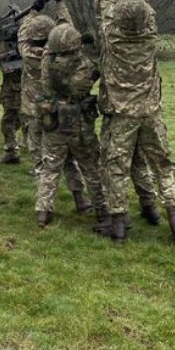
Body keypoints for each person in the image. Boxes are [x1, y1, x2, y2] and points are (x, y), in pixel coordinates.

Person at [97, 0, 175, 241]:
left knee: (117, 168)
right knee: (162, 165)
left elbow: (106, 3)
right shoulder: (150, 34)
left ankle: (118, 223)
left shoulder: (112, 35)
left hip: (123, 116)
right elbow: (141, 4)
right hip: (151, 112)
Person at [18, 0, 91, 214]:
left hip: (34, 112)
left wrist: (32, 12)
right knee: (68, 158)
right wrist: (61, 5)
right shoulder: (58, 54)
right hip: (60, 110)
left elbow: (22, 35)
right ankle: (79, 198)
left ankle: (44, 207)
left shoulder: (28, 53)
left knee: (41, 160)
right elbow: (68, 29)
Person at [34, 22, 101, 227]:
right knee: (91, 167)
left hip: (53, 118)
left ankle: (43, 211)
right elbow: (92, 76)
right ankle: (103, 210)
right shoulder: (84, 64)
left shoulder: (46, 61)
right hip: (77, 121)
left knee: (51, 167)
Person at [0, 59, 23, 164]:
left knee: (10, 121)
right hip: (13, 89)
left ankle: (12, 152)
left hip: (19, 90)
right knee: (10, 121)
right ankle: (11, 151)